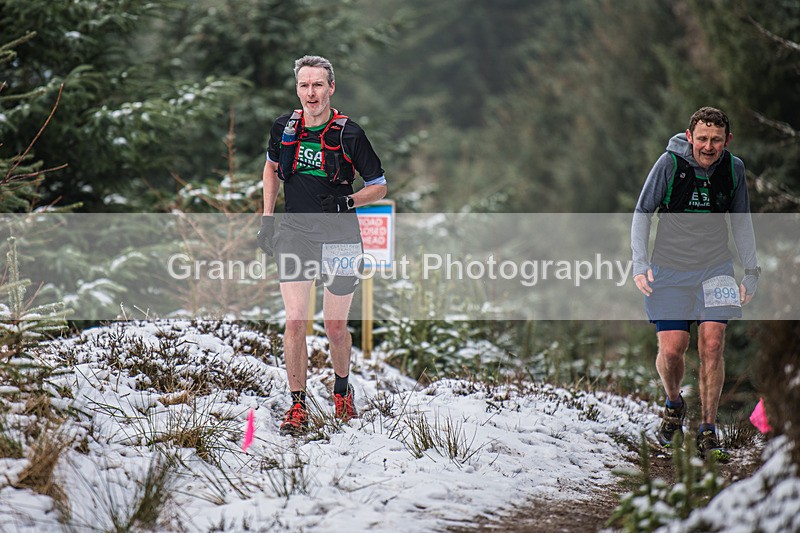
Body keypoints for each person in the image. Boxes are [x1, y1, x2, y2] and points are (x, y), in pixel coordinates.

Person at [257, 55, 387, 435]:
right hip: (295, 232)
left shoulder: (350, 133)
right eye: (304, 85)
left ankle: (342, 390)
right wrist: (267, 217)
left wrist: (349, 201)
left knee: (333, 327)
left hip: (341, 235)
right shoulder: (284, 127)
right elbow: (270, 167)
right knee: (296, 321)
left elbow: (378, 184)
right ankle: (297, 406)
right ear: (297, 89)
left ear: (331, 88)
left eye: (317, 85)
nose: (310, 93)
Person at [631, 107, 760, 462]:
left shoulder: (733, 170)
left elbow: (742, 221)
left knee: (713, 343)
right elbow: (642, 213)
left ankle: (708, 429)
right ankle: (674, 405)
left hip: (715, 269)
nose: (708, 146)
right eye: (702, 138)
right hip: (669, 271)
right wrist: (640, 263)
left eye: (716, 140)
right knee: (672, 350)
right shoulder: (670, 165)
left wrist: (751, 271)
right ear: (689, 137)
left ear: (727, 140)